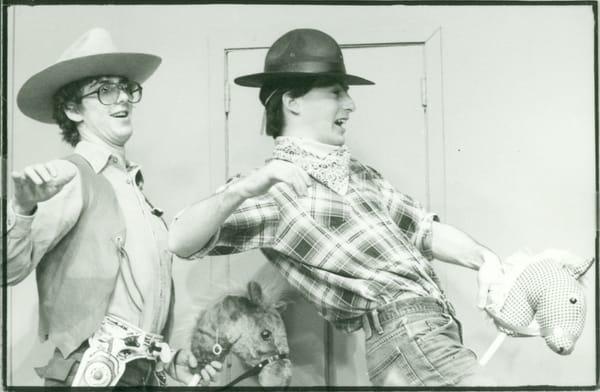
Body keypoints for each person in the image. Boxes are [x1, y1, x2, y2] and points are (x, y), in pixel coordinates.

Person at [168, 28, 502, 386]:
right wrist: (245, 188)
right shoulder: (272, 190)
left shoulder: (360, 174)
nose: (350, 104)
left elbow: (424, 230)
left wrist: (485, 260)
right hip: (408, 337)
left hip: (434, 333)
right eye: (335, 92)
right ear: (293, 101)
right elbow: (180, 240)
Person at [6, 28, 221, 387]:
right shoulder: (71, 176)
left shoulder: (130, 184)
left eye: (125, 87)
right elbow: (8, 270)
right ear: (74, 109)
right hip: (94, 374)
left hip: (139, 373)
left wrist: (168, 359)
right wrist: (23, 207)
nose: (122, 97)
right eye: (105, 90)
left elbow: (138, 300)